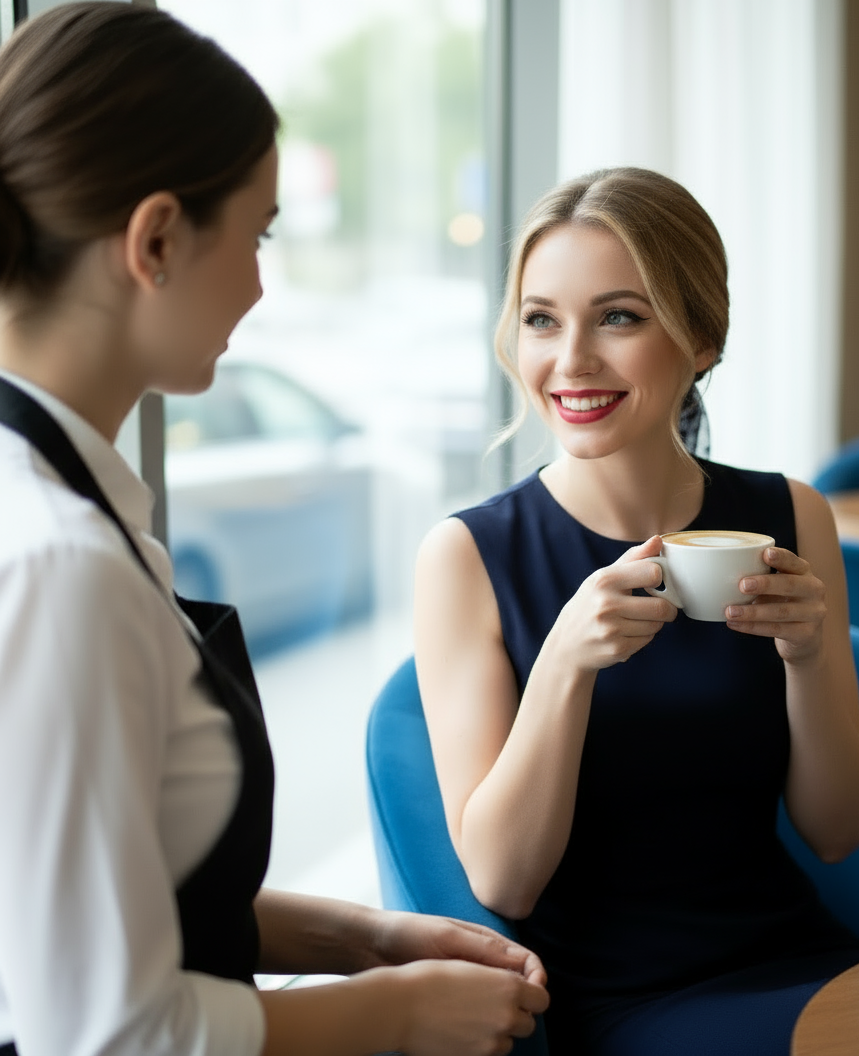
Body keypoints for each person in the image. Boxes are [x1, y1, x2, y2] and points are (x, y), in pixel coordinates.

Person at [0, 5, 548, 1056]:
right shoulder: (59, 565)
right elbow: (108, 1034)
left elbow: (93, 898)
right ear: (155, 240)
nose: (260, 281)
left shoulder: (66, 518)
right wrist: (398, 1013)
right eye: (256, 235)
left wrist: (366, 938)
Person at [414, 167, 859, 1055]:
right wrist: (563, 666)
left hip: (800, 955)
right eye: (543, 318)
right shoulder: (469, 556)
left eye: (618, 316)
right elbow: (503, 882)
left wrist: (809, 658)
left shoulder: (792, 515)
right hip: (621, 1001)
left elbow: (838, 830)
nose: (572, 359)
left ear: (701, 337)